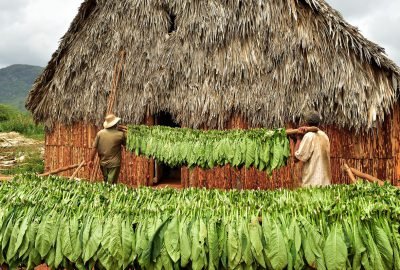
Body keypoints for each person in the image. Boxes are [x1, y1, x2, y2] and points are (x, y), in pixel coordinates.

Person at [294, 111, 331, 187]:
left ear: (306, 123)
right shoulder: (324, 136)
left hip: (312, 184)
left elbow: (296, 158)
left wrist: (298, 139)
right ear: (318, 123)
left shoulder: (309, 136)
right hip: (325, 184)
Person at [88, 114, 126, 184]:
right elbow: (126, 144)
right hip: (115, 164)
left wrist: (91, 160)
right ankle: (109, 194)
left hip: (103, 163)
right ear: (115, 124)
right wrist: (125, 131)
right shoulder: (120, 135)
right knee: (111, 183)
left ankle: (107, 193)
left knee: (106, 181)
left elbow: (94, 148)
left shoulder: (100, 133)